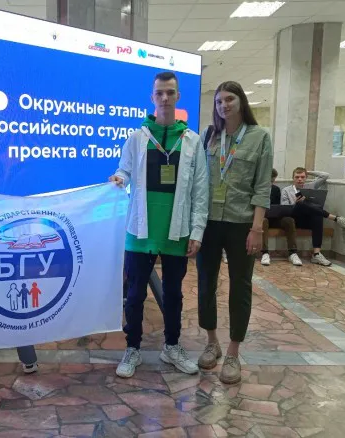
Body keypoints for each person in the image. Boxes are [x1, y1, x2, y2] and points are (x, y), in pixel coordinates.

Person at [109, 71, 209, 378]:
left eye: (170, 92)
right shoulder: (137, 138)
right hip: (140, 230)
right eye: (159, 93)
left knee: (173, 294)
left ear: (178, 96)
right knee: (135, 294)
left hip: (176, 230)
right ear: (152, 97)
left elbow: (200, 189)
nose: (165, 98)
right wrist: (118, 179)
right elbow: (124, 170)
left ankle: (172, 347)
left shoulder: (191, 141)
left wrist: (197, 231)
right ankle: (133, 348)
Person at [197, 81, 272, 384]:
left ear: (241, 101)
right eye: (219, 101)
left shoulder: (259, 137)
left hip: (242, 223)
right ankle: (212, 342)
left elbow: (263, 187)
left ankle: (232, 352)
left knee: (240, 286)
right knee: (205, 283)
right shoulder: (209, 136)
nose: (224, 105)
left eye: (229, 99)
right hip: (209, 222)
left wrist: (257, 228)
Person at [281, 167, 345, 266]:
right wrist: (295, 202)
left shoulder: (310, 186)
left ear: (306, 177)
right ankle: (335, 218)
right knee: (301, 203)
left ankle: (316, 254)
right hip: (294, 219)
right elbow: (285, 209)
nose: (300, 179)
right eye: (297, 177)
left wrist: (308, 171)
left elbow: (325, 176)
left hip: (308, 219)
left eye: (302, 177)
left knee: (317, 216)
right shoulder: (286, 190)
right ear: (293, 178)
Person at [261, 168, 301, 266]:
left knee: (289, 220)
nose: (271, 183)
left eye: (273, 181)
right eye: (270, 181)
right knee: (264, 221)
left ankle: (292, 253)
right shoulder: (258, 189)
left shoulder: (276, 189)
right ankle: (265, 253)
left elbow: (279, 207)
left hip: (275, 218)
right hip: (262, 218)